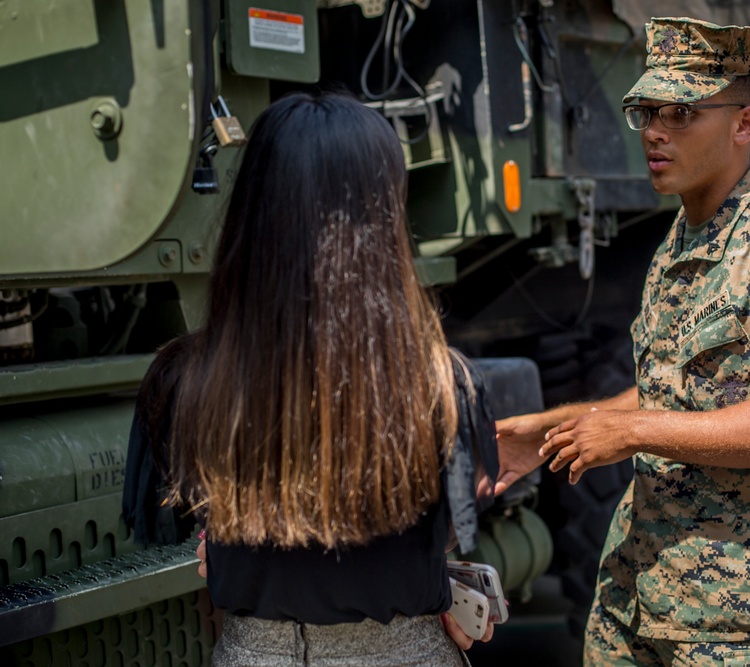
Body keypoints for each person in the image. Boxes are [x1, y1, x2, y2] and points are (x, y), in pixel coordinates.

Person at [495, 17, 750, 667]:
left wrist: (634, 431)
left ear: (744, 123)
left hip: (744, 616)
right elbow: (675, 390)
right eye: (646, 112)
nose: (656, 132)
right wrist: (552, 430)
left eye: (681, 112)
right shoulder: (678, 244)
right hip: (640, 592)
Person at [121, 92, 498, 665]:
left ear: (251, 210)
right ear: (384, 216)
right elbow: (449, 530)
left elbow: (192, 534)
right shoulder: (444, 386)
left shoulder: (180, 381)